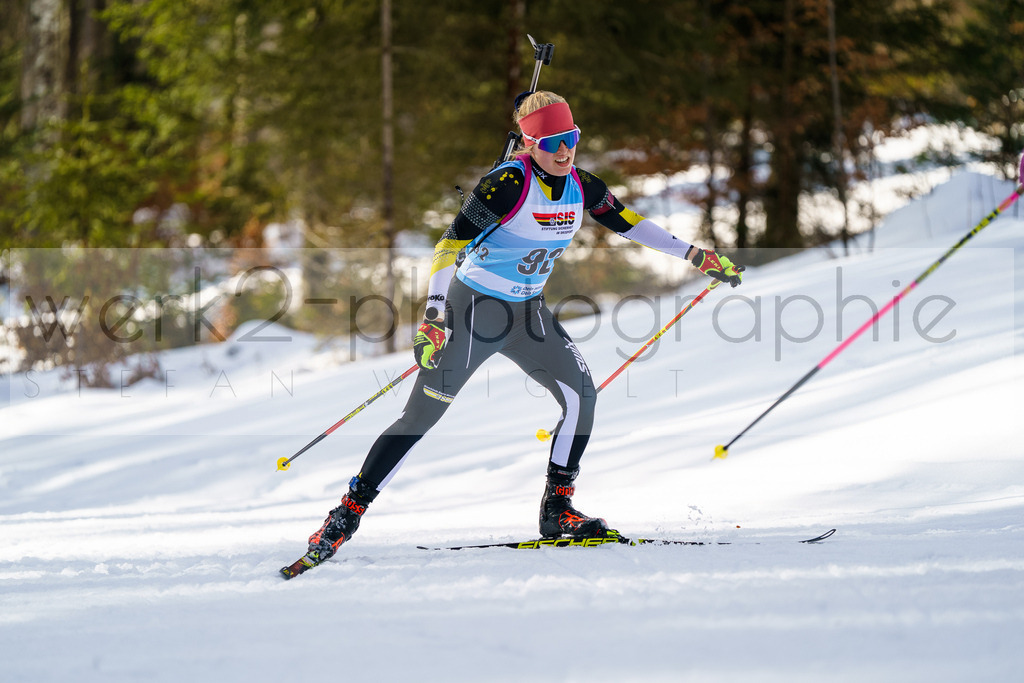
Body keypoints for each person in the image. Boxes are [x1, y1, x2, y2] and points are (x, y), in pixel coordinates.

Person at [301, 91, 744, 565]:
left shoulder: (583, 184)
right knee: (422, 417)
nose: (564, 150)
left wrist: (696, 256)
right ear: (530, 143)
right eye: (553, 141)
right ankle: (345, 514)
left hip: (528, 313)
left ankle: (558, 509)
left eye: (571, 138)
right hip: (474, 311)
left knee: (581, 397)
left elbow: (631, 224)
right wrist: (433, 316)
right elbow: (448, 247)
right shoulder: (506, 184)